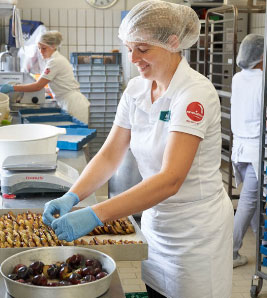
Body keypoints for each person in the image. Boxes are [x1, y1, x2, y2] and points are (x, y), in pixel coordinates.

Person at [42, 1, 234, 297]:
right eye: (129, 47)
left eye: (142, 49)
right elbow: (110, 154)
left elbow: (171, 179)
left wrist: (95, 215)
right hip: (156, 222)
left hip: (196, 231)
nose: (133, 58)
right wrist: (73, 195)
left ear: (173, 43)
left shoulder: (194, 93)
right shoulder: (136, 89)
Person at [0, 31, 90, 124]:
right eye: (39, 48)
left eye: (44, 48)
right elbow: (55, 84)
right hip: (67, 102)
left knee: (75, 135)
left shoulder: (55, 61)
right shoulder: (53, 60)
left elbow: (38, 86)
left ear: (53, 46)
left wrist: (12, 88)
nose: (41, 51)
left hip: (73, 104)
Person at [231, 34, 264, 268]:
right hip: (255, 148)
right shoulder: (263, 79)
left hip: (239, 149)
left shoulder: (238, 78)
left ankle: (261, 245)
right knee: (248, 202)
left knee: (252, 202)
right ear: (261, 55)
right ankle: (230, 253)